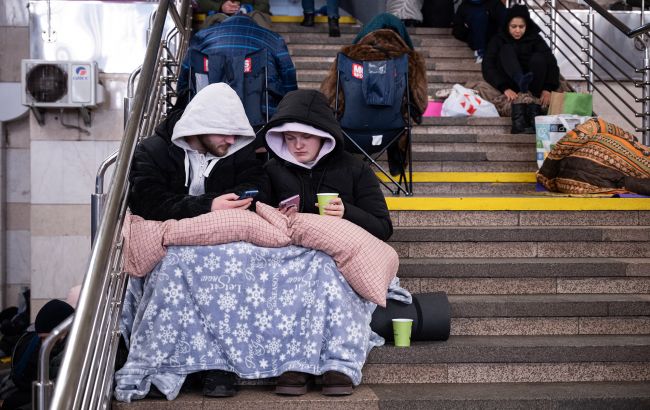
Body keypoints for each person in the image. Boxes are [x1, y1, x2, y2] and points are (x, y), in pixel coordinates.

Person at [262, 89, 393, 394]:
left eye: (305, 137)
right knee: (308, 272)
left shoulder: (355, 168)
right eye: (290, 138)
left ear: (323, 135)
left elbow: (383, 228)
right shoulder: (272, 170)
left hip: (343, 262)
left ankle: (339, 363)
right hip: (291, 262)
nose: (297, 145)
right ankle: (297, 362)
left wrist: (348, 212)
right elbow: (258, 220)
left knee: (325, 269)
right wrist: (278, 217)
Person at [321, 13, 428, 176]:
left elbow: (327, 96)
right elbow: (421, 105)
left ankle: (343, 171)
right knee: (403, 112)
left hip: (349, 132)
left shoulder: (347, 57)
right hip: (392, 133)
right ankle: (397, 165)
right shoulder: (409, 60)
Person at [176, 14, 297, 112]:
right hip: (262, 112)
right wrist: (289, 104)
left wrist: (182, 98)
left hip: (207, 111)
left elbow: (186, 71)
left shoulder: (202, 36)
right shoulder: (274, 38)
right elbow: (288, 73)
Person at [481, 4, 560, 132]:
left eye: (521, 27)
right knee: (506, 50)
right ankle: (520, 81)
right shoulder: (498, 39)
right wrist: (504, 88)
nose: (517, 30)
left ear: (526, 26)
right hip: (511, 82)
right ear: (507, 26)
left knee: (539, 58)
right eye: (513, 27)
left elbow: (551, 63)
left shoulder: (535, 39)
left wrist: (547, 88)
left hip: (533, 84)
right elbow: (488, 66)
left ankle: (531, 102)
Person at [1, 300, 74, 410]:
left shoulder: (71, 352)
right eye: (42, 339)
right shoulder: (57, 347)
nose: (44, 343)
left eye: (46, 338)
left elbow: (58, 394)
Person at [196, 0, 272, 29]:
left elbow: (264, 5)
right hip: (220, 16)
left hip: (250, 16)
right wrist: (220, 7)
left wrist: (247, 9)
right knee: (215, 19)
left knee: (258, 16)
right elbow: (200, 2)